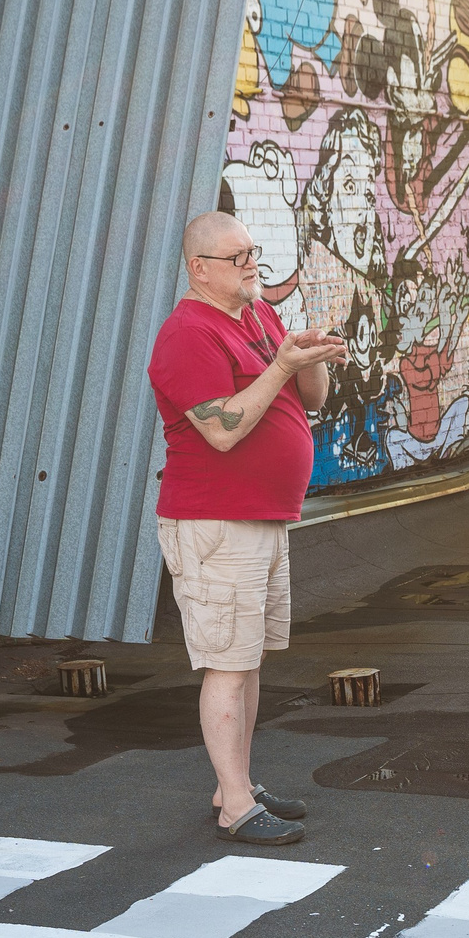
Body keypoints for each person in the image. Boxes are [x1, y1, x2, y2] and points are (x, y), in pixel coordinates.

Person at [146, 210, 345, 846]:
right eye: (236, 258)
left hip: (260, 519)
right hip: (213, 521)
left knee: (248, 658)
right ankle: (235, 805)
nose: (251, 263)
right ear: (199, 268)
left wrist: (308, 358)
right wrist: (282, 367)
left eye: (252, 251)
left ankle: (236, 783)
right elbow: (221, 430)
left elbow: (309, 400)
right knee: (227, 663)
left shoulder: (258, 313)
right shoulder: (186, 333)